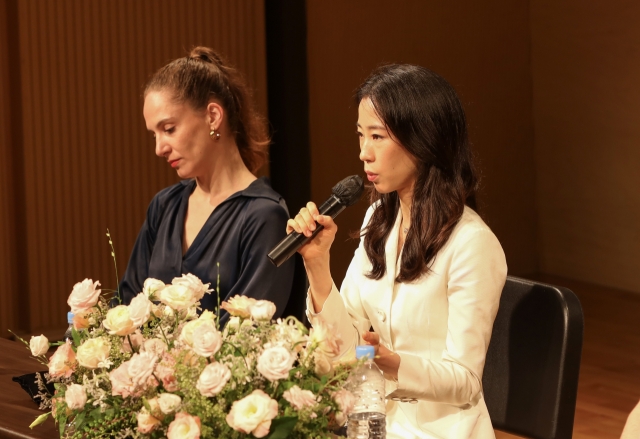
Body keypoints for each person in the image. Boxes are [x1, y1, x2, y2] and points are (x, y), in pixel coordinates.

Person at [287, 64, 508, 438]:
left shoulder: (472, 244)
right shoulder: (380, 218)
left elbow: (466, 381)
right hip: (375, 422)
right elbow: (345, 348)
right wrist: (317, 266)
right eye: (360, 135)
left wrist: (394, 363)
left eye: (378, 136)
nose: (364, 153)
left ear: (424, 139)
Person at [118, 47, 295, 326]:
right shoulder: (164, 206)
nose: (159, 148)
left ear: (213, 116)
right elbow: (127, 307)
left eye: (169, 129)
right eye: (154, 134)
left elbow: (246, 336)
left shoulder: (264, 217)